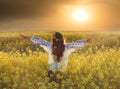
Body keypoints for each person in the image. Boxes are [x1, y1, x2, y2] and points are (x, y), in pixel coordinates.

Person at [20, 32, 92, 77]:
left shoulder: (50, 46)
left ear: (53, 39)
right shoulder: (66, 47)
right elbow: (76, 43)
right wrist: (86, 40)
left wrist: (27, 37)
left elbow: (40, 40)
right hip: (62, 70)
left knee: (50, 83)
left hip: (51, 70)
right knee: (61, 83)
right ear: (62, 39)